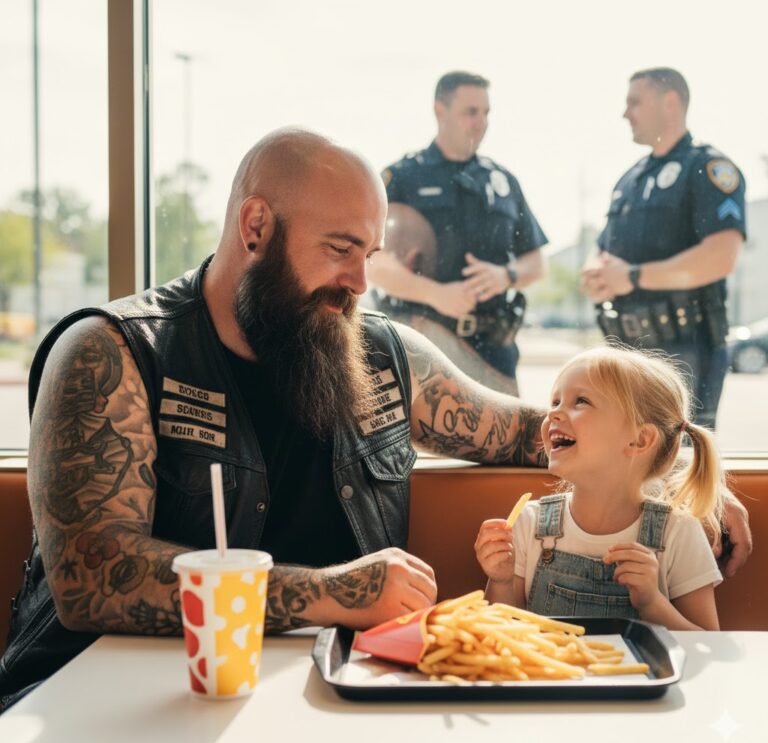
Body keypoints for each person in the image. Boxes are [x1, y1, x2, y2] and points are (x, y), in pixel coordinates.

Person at [0, 129, 749, 711]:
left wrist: (679, 472)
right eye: (338, 249)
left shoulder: (378, 353)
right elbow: (89, 578)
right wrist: (331, 592)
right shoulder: (112, 352)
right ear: (255, 226)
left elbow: (528, 429)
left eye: (371, 253)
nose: (361, 282)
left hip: (325, 699)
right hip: (99, 700)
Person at [475, 346, 725, 630]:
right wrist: (501, 580)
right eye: (555, 401)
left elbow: (707, 643)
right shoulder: (528, 523)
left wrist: (652, 603)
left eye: (580, 401)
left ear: (640, 440)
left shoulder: (679, 532)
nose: (553, 414)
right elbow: (504, 632)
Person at [581, 67, 746, 429]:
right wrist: (596, 273)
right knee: (625, 459)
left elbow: (722, 255)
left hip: (685, 351)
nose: (625, 113)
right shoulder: (631, 179)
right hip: (625, 346)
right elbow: (603, 245)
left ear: (670, 102)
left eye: (634, 102)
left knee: (678, 466)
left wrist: (633, 277)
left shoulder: (706, 168)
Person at [367, 71, 547, 395]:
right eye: (470, 112)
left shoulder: (503, 181)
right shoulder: (404, 178)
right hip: (424, 352)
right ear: (440, 110)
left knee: (505, 446)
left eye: (486, 113)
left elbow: (536, 263)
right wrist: (435, 294)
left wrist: (506, 275)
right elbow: (372, 262)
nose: (481, 122)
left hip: (496, 357)